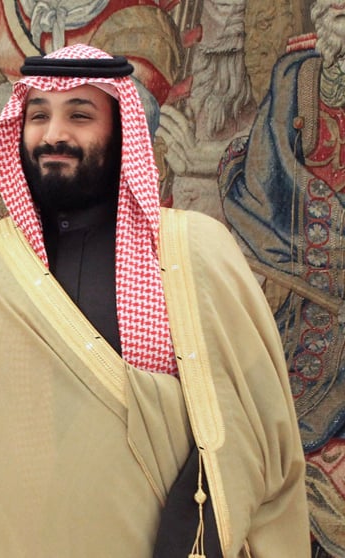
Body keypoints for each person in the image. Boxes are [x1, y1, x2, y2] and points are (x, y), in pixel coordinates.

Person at [0, 44, 309, 557]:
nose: (54, 135)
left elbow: (249, 425)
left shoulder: (192, 253)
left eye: (80, 115)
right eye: (38, 115)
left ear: (122, 131)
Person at [220, 1, 345, 554]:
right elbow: (269, 179)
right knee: (286, 432)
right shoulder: (300, 78)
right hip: (315, 295)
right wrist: (333, 230)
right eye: (337, 14)